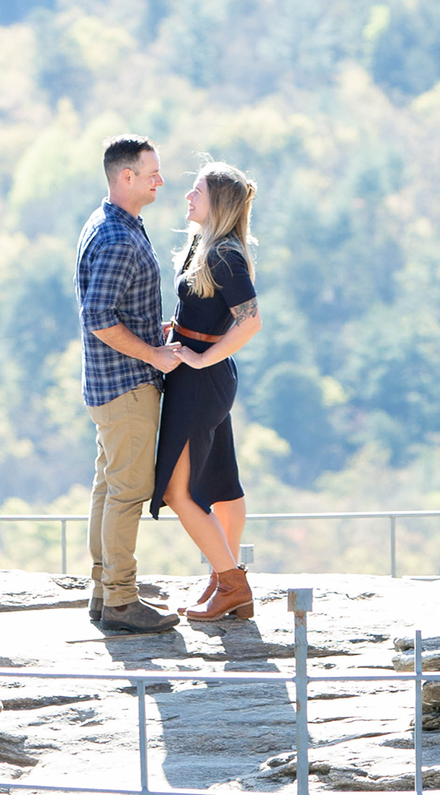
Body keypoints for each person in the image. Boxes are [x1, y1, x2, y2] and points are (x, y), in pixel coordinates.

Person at [77, 134, 181, 633]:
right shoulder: (118, 237)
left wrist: (149, 333)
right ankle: (120, 599)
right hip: (127, 386)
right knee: (128, 492)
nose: (161, 179)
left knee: (109, 487)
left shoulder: (110, 224)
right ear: (127, 177)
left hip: (109, 383)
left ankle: (103, 591)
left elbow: (111, 311)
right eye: (153, 171)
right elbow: (99, 316)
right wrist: (155, 354)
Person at [151, 160, 264, 622]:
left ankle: (231, 584)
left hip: (201, 380)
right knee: (222, 483)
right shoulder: (208, 246)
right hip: (206, 377)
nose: (187, 197)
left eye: (196, 190)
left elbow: (251, 320)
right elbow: (210, 312)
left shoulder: (222, 255)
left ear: (217, 201)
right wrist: (180, 331)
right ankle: (223, 581)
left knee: (179, 493)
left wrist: (200, 356)